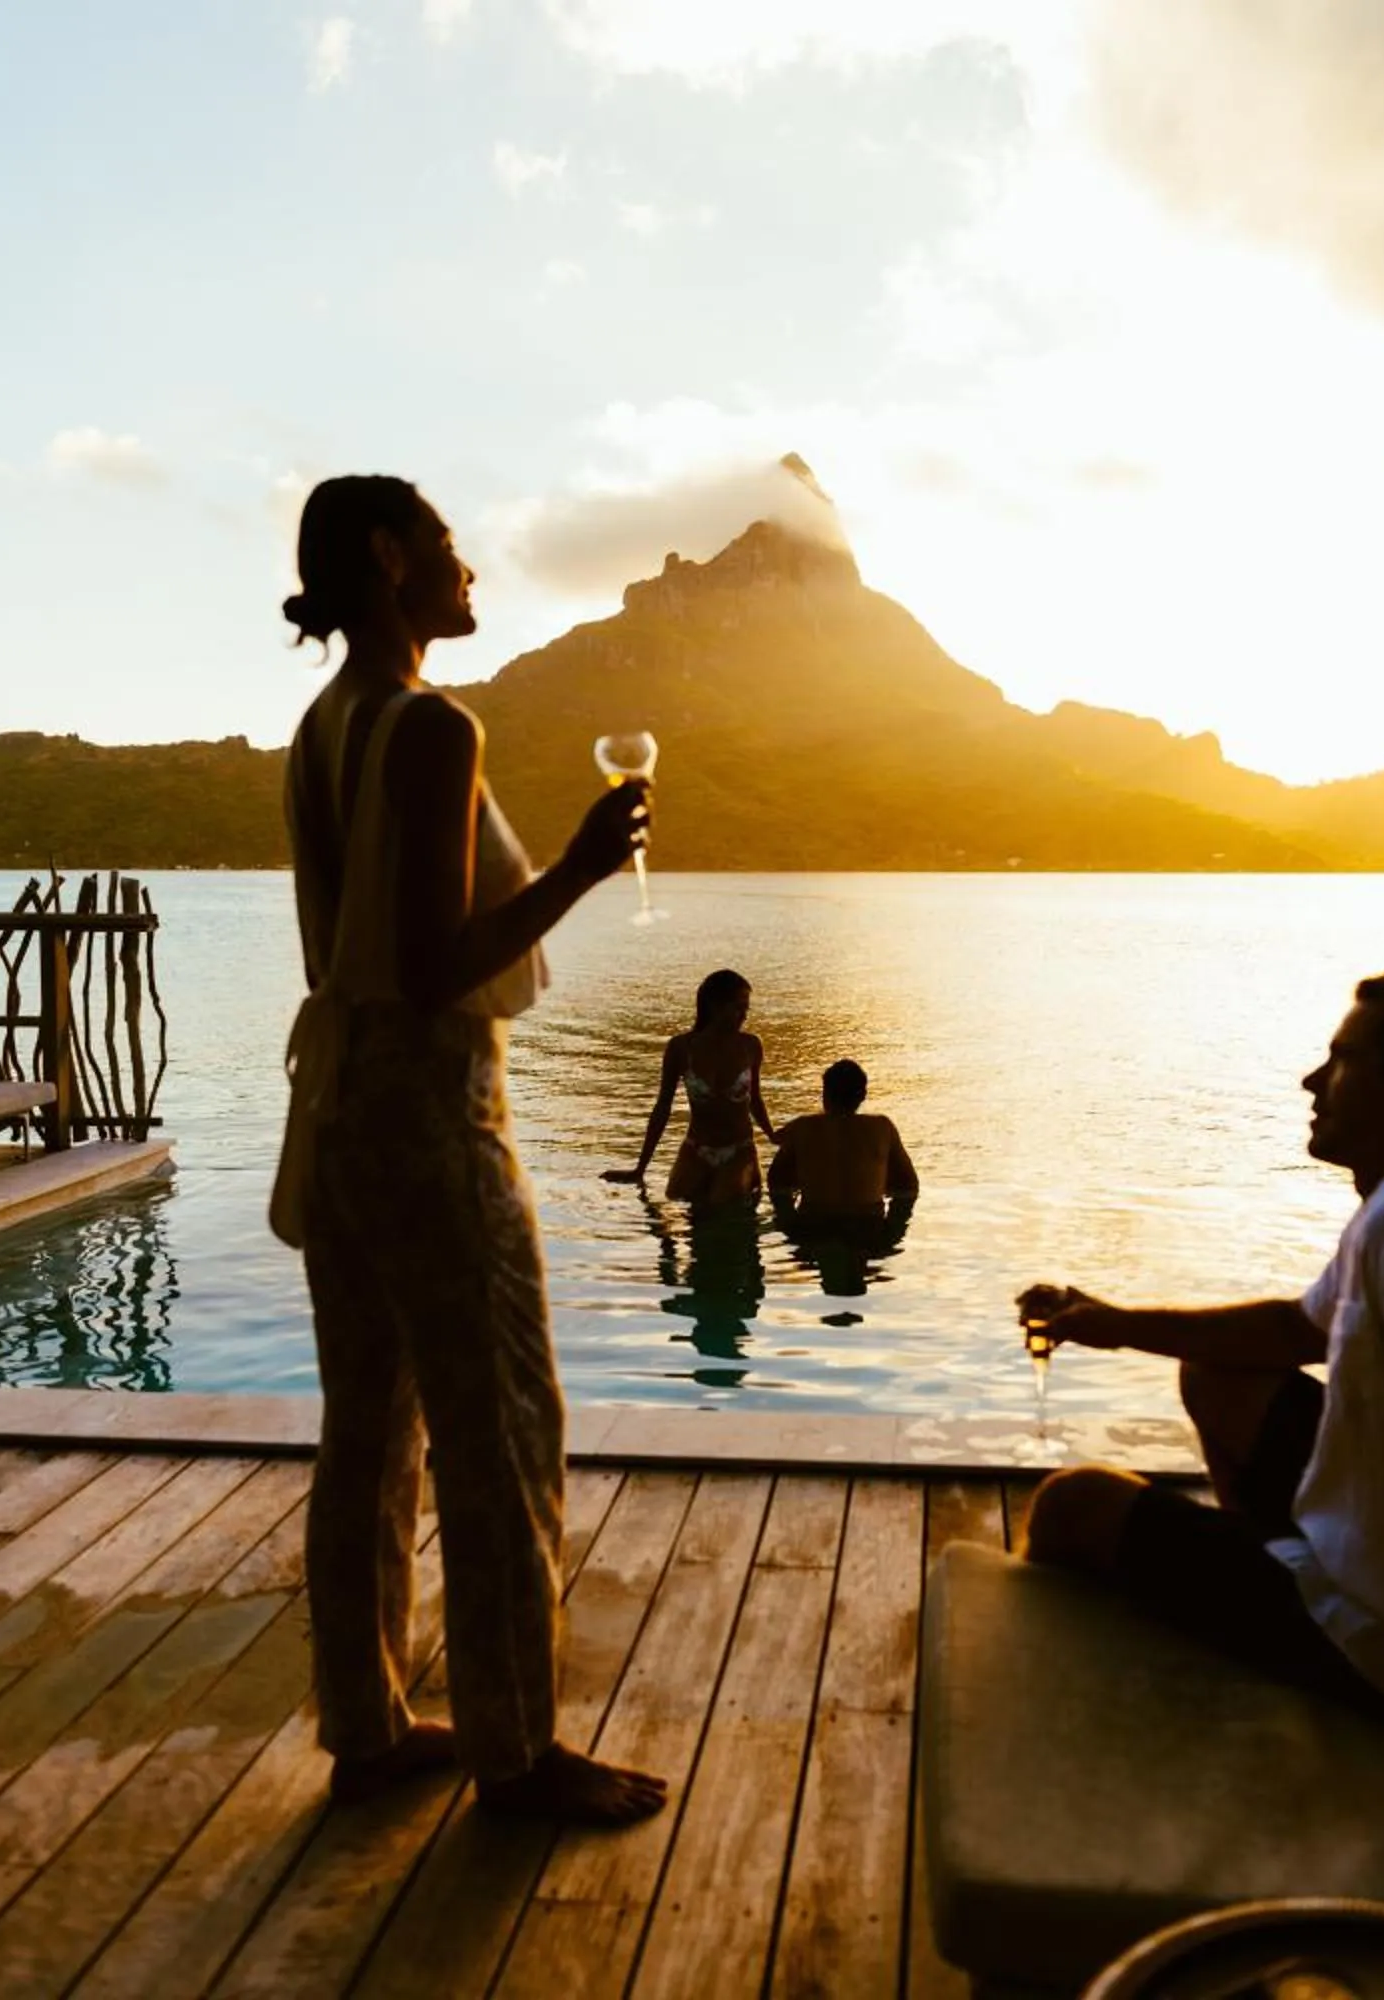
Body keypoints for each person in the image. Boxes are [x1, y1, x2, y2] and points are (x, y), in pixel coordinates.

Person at [1015, 973, 1384, 1929]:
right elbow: (1294, 1331)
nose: (1314, 1078)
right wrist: (1113, 1322)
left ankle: (1283, 1612)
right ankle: (1264, 1579)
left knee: (1069, 1510)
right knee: (1216, 1375)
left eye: (1342, 1061)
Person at [272, 473, 666, 1825]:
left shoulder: (321, 730)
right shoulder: (434, 729)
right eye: (449, 548)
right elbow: (439, 967)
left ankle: (369, 1722)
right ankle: (516, 1750)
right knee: (502, 1434)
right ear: (391, 561)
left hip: (335, 1119)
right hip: (433, 1117)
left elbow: (354, 954)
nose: (472, 570)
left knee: (366, 1436)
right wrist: (577, 871)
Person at [603, 969, 777, 1201]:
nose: (744, 1016)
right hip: (696, 1148)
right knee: (674, 1198)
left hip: (740, 1150)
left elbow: (755, 1100)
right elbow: (663, 1107)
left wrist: (772, 1135)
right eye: (738, 1008)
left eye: (746, 1009)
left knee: (719, 1207)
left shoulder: (751, 1046)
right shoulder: (680, 1048)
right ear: (714, 1006)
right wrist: (640, 1168)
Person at [768, 1059, 920, 1218]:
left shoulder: (802, 1127)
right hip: (867, 1228)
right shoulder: (882, 1128)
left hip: (814, 1226)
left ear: (825, 1094)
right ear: (863, 1095)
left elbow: (776, 1182)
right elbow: (908, 1186)